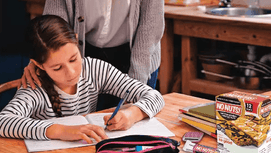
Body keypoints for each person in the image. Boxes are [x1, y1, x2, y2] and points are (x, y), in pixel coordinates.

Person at [0, 15, 165, 144]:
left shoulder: (95, 69)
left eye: (73, 59)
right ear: (39, 65)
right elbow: (3, 121)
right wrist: (61, 131)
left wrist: (132, 114)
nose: (71, 72)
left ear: (77, 42)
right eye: (57, 68)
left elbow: (154, 96)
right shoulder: (35, 86)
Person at [20, 0, 164, 91]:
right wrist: (44, 56)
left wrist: (135, 89)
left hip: (138, 55)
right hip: (82, 54)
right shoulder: (73, 66)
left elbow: (150, 28)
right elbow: (54, 23)